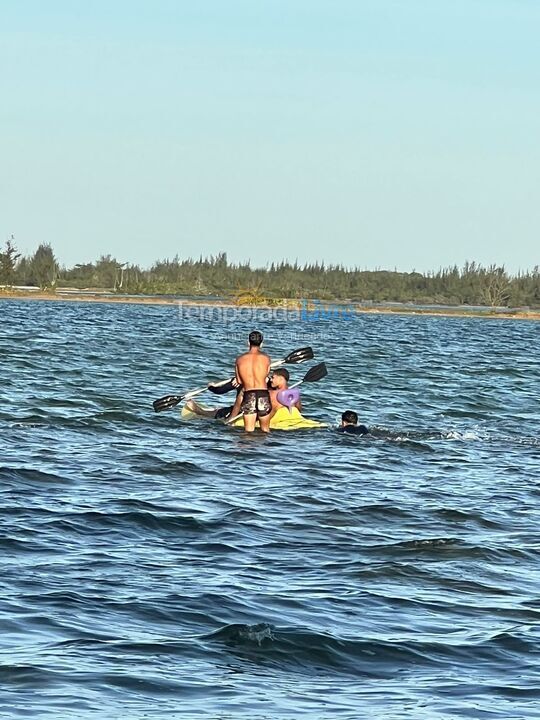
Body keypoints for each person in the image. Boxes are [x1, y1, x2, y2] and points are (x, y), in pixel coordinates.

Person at [235, 330, 272, 432]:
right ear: (262, 344)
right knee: (265, 430)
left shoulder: (240, 359)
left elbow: (239, 381)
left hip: (249, 395)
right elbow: (266, 375)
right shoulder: (266, 359)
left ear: (248, 342)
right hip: (263, 394)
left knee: (248, 431)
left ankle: (249, 448)